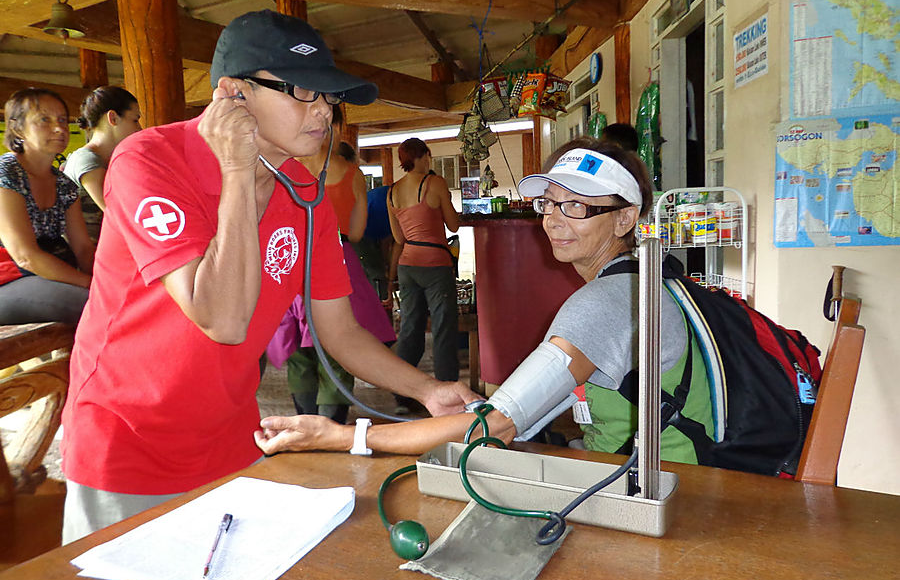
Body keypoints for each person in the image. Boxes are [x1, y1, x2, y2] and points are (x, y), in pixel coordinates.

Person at [59, 10, 479, 544]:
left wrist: (427, 389)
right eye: (302, 92)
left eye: (329, 98)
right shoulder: (149, 159)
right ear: (233, 94)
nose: (323, 111)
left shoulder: (305, 193)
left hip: (231, 433)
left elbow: (341, 331)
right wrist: (238, 170)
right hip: (129, 439)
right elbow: (222, 318)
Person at [255, 137, 715, 464]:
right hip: (642, 464)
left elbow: (498, 426)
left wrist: (344, 436)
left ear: (625, 220)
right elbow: (520, 412)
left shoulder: (604, 304)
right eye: (550, 203)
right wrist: (442, 395)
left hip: (669, 483)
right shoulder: (643, 279)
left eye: (578, 206)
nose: (554, 220)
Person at [266, 106, 395, 423]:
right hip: (338, 260)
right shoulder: (352, 174)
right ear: (337, 128)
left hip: (289, 259)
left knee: (298, 349)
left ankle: (304, 421)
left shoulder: (281, 169)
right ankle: (329, 425)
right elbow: (358, 232)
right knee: (338, 344)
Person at [0, 88, 95, 324]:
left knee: (123, 297)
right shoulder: (6, 173)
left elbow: (83, 248)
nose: (59, 128)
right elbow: (25, 256)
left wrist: (105, 279)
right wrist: (91, 284)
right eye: (44, 119)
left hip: (50, 274)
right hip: (9, 278)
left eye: (63, 119)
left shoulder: (64, 185)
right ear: (18, 128)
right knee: (93, 306)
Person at [386, 138, 461, 414]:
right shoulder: (435, 183)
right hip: (435, 263)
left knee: (410, 329)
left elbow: (398, 237)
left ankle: (402, 394)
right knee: (442, 329)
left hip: (408, 266)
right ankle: (448, 392)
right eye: (428, 156)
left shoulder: (392, 191)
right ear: (424, 156)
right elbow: (453, 224)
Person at [64, 85, 142, 214]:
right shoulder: (87, 159)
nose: (139, 129)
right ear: (113, 118)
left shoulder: (102, 159)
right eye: (135, 120)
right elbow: (115, 214)